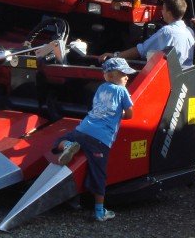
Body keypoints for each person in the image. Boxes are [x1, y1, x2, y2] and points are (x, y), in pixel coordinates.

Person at [53, 57, 134, 222]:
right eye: (123, 74)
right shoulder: (122, 91)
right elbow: (130, 114)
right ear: (110, 76)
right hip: (100, 139)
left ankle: (67, 145)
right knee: (98, 173)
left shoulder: (101, 88)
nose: (127, 77)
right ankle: (99, 211)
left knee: (59, 140)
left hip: (82, 130)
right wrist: (119, 113)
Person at [99, 0, 195, 69]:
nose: (162, 11)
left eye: (163, 9)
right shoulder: (189, 31)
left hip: (168, 77)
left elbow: (141, 50)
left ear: (169, 13)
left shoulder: (166, 31)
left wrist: (115, 56)